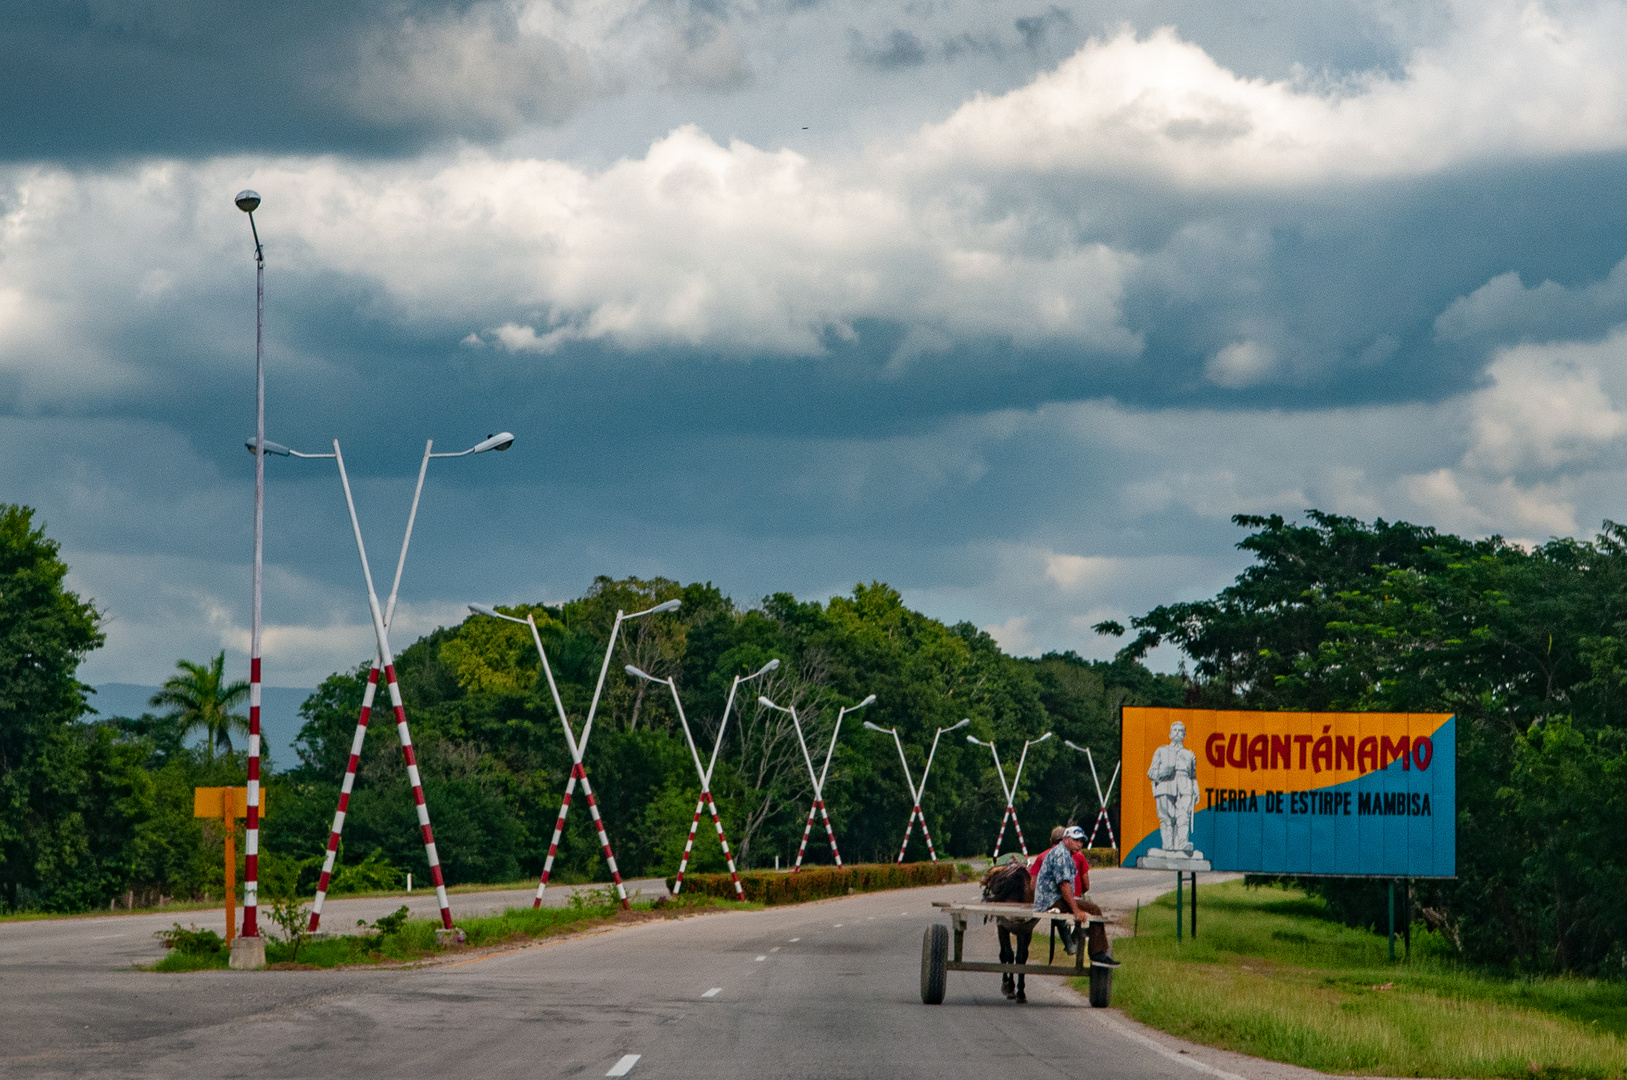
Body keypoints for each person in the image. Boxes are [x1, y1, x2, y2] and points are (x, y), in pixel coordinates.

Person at [1030, 825, 1117, 966]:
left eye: (1081, 841)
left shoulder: (1067, 854)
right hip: (1051, 900)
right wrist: (1076, 910)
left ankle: (1087, 946)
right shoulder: (1062, 855)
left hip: (1053, 898)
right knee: (1093, 910)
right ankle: (1097, 954)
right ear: (1066, 839)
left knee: (1090, 908)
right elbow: (1064, 886)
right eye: (1076, 840)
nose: (1079, 844)